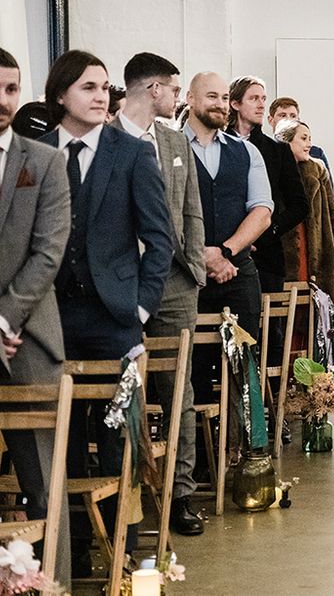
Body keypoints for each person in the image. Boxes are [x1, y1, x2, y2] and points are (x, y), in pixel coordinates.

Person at [39, 49, 173, 577]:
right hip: (49, 319)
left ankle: (125, 553)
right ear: (59, 96)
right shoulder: (34, 152)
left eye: (104, 88)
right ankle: (71, 553)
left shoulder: (131, 152)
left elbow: (158, 240)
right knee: (63, 439)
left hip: (115, 318)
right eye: (88, 88)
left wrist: (139, 306)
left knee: (122, 438)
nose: (101, 97)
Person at [111, 52, 207, 535]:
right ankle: (125, 497)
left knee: (179, 392)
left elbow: (191, 208)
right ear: (152, 90)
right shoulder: (107, 138)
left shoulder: (174, 139)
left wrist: (193, 267)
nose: (176, 96)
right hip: (121, 282)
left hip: (173, 280)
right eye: (172, 88)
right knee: (121, 387)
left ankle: (180, 496)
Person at [0, 48, 72, 589]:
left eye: (11, 89)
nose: (4, 101)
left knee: (45, 477)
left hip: (27, 337)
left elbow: (48, 251)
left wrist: (4, 320)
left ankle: (57, 585)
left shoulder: (43, 160)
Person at [183, 72, 273, 412]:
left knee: (245, 363)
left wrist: (224, 251)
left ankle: (250, 448)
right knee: (194, 369)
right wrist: (200, 256)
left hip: (239, 273)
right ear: (191, 99)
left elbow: (262, 211)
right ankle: (203, 456)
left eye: (223, 98)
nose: (220, 104)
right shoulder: (169, 149)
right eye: (211, 97)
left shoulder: (246, 152)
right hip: (187, 276)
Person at [228, 76, 308, 443]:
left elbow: (298, 205)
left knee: (268, 336)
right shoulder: (223, 144)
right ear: (235, 103)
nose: (261, 104)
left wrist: (266, 231)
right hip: (227, 253)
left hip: (267, 257)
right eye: (254, 98)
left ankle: (272, 414)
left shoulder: (275, 150)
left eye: (264, 98)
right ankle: (230, 416)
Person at [274, 119, 334, 326]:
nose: (308, 144)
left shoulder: (317, 170)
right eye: (303, 139)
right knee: (289, 317)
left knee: (318, 316)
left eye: (310, 139)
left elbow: (333, 216)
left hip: (318, 249)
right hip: (287, 252)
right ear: (287, 142)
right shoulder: (274, 170)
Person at [267, 96, 333, 182]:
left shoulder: (315, 153)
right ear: (271, 120)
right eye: (282, 115)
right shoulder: (264, 151)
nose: (288, 119)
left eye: (293, 116)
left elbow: (328, 191)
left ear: (298, 120)